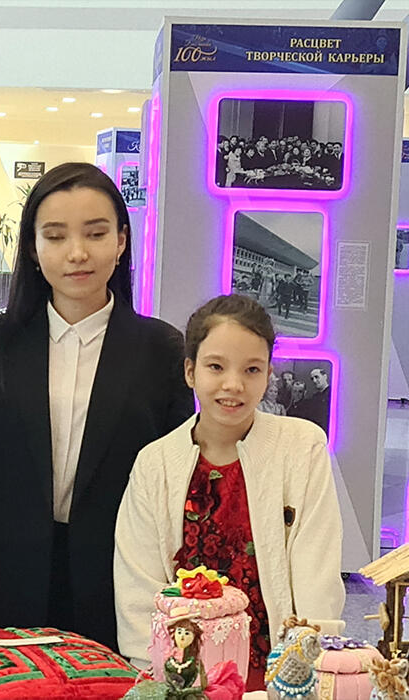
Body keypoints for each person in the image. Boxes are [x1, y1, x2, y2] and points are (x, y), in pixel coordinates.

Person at [0, 162, 194, 651]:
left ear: (121, 241)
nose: (77, 253)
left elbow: (174, 477)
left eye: (96, 234)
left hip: (117, 581)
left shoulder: (160, 349)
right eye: (55, 236)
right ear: (32, 248)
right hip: (7, 580)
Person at [114, 293, 344, 690]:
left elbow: (316, 569)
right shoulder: (155, 464)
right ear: (190, 371)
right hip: (185, 678)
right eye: (216, 367)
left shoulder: (301, 447)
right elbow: (139, 586)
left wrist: (307, 671)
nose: (233, 385)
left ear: (268, 374)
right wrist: (158, 679)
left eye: (252, 369)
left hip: (277, 675)